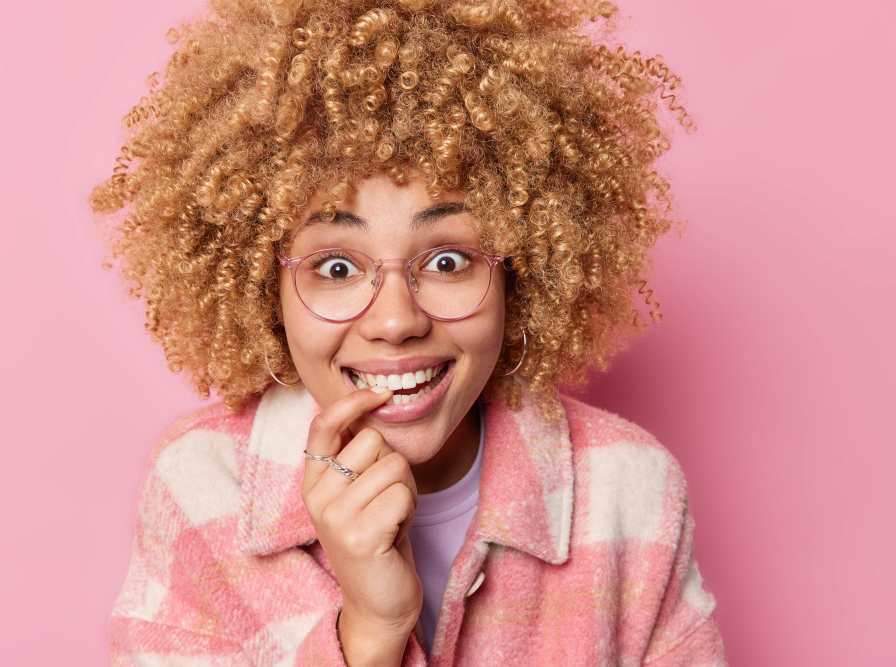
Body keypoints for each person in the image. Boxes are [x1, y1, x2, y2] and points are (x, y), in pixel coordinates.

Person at [88, 0, 726, 664]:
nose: (395, 321)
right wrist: (371, 631)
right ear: (263, 288)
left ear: (522, 271)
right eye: (336, 266)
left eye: (447, 260)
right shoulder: (201, 488)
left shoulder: (628, 490)